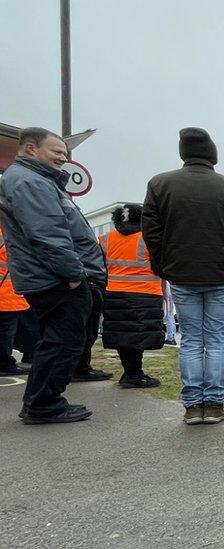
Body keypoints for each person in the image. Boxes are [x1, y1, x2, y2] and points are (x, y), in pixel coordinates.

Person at [142, 127, 224, 425]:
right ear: (212, 154)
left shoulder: (159, 184)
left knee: (191, 339)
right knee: (217, 339)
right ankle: (214, 404)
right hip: (222, 272)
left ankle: (193, 405)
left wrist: (162, 265)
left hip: (181, 272)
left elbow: (152, 232)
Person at [0, 127, 106, 424]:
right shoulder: (30, 182)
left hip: (50, 275)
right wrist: (74, 275)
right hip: (56, 278)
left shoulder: (32, 179)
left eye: (64, 152)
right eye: (56, 151)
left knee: (57, 340)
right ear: (31, 149)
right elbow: (47, 234)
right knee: (64, 340)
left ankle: (42, 401)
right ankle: (44, 405)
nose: (63, 158)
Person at [99, 204, 164, 388]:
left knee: (122, 334)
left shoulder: (105, 239)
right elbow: (161, 266)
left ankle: (130, 372)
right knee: (139, 335)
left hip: (114, 293)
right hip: (145, 293)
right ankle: (134, 375)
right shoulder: (149, 239)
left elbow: (98, 266)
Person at [0, 225, 30, 376]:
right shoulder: (8, 231)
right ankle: (4, 363)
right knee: (5, 332)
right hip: (6, 294)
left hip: (7, 293)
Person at [162, 281, 177, 345]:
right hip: (171, 289)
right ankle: (171, 337)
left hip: (165, 289)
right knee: (170, 314)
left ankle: (170, 338)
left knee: (169, 314)